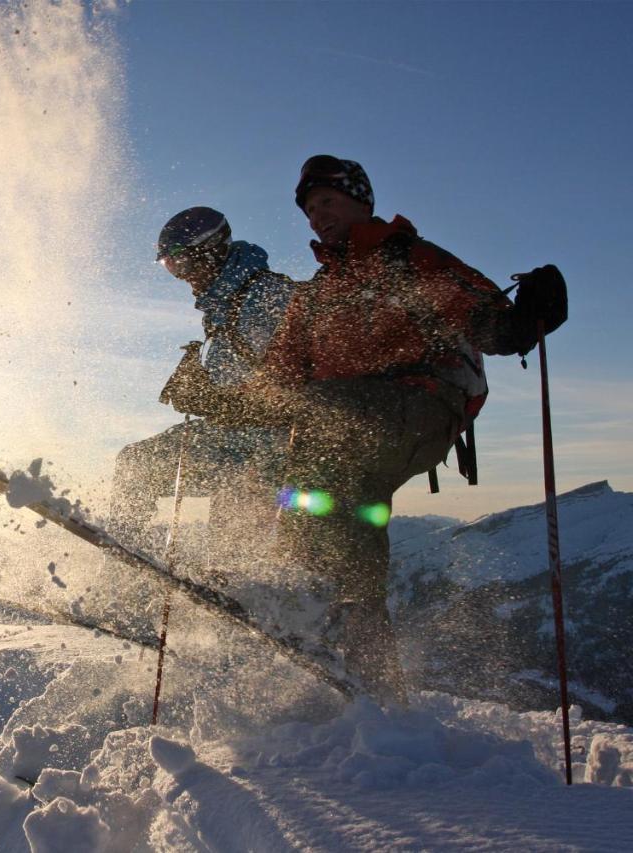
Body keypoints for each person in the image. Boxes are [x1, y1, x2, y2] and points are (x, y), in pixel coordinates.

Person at [168, 155, 567, 703]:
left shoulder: (403, 258)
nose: (317, 218)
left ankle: (298, 582)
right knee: (351, 518)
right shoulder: (314, 298)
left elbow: (485, 320)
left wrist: (527, 317)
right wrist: (209, 400)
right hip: (361, 428)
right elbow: (273, 391)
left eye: (327, 202)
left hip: (425, 405)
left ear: (362, 200)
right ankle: (374, 676)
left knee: (324, 418)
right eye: (309, 210)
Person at [109, 207, 296, 563]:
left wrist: (211, 395)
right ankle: (130, 573)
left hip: (270, 444)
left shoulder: (268, 296)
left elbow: (284, 384)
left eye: (182, 264)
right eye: (170, 267)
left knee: (235, 494)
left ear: (211, 250)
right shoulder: (223, 308)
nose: (180, 277)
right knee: (136, 463)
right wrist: (203, 390)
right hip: (240, 437)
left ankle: (246, 589)